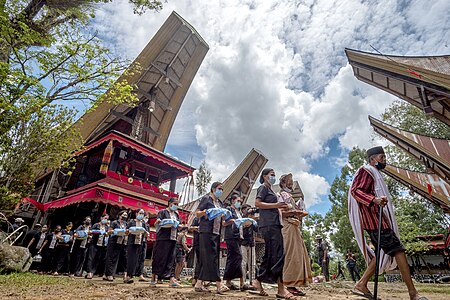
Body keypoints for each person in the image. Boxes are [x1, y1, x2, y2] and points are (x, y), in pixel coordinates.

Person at [349, 146, 428, 300]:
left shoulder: (376, 173)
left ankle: (361, 284)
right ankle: (413, 293)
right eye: (381, 157)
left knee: (379, 255)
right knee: (398, 250)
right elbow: (356, 190)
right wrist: (374, 200)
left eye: (384, 157)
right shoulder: (366, 170)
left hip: (379, 220)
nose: (384, 160)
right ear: (372, 160)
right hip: (376, 221)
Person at [252, 168, 295, 299]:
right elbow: (257, 203)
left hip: (275, 223)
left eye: (274, 175)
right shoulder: (263, 188)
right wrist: (276, 205)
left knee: (270, 254)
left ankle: (258, 280)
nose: (273, 177)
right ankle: (281, 288)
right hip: (268, 224)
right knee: (278, 253)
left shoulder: (271, 190)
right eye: (272, 175)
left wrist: (281, 207)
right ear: (265, 176)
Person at [278, 173, 311, 296]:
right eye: (289, 181)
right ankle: (289, 284)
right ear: (283, 183)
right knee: (290, 254)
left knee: (297, 253)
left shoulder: (290, 196)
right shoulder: (281, 195)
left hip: (294, 225)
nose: (291, 183)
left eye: (291, 181)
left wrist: (297, 212)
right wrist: (295, 212)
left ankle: (293, 283)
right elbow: (280, 212)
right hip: (287, 226)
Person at [194, 182, 228, 294]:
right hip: (206, 231)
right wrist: (206, 212)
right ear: (213, 189)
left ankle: (199, 283)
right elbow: (197, 213)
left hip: (216, 232)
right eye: (219, 188)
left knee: (209, 257)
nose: (221, 191)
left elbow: (222, 218)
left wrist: (224, 216)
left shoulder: (220, 202)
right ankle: (219, 284)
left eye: (222, 189)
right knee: (211, 257)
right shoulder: (206, 199)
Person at [151, 198, 180, 287]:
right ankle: (153, 278)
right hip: (163, 238)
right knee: (159, 258)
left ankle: (171, 279)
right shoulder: (163, 212)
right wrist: (158, 222)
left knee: (171, 259)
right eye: (175, 203)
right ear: (170, 203)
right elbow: (157, 222)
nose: (176, 205)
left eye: (177, 204)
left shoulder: (176, 214)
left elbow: (178, 224)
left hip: (173, 238)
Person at [223, 194, 244, 291]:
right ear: (232, 201)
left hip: (238, 237)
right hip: (230, 236)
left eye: (240, 201)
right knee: (236, 256)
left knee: (235, 257)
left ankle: (230, 280)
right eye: (238, 201)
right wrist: (231, 221)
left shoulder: (238, 212)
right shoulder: (229, 210)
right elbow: (223, 223)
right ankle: (227, 279)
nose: (239, 203)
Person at [124, 209, 149, 283]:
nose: (141, 215)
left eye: (143, 214)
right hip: (131, 243)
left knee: (136, 260)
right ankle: (128, 276)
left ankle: (133, 275)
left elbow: (146, 233)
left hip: (139, 243)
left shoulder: (143, 223)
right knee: (130, 259)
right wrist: (128, 231)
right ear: (136, 213)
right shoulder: (131, 222)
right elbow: (126, 231)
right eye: (140, 213)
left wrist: (146, 233)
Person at [104, 210, 128, 281]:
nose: (125, 216)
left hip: (120, 242)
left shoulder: (125, 224)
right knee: (110, 258)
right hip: (113, 241)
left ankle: (109, 273)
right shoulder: (114, 222)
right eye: (124, 215)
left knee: (116, 258)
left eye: (126, 215)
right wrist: (114, 231)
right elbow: (110, 231)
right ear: (120, 215)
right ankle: (109, 274)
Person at [86, 215, 109, 279]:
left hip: (101, 244)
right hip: (94, 243)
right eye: (105, 218)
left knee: (97, 258)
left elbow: (107, 234)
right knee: (91, 258)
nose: (106, 220)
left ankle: (93, 271)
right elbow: (91, 232)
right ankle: (89, 272)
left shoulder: (106, 227)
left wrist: (107, 234)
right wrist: (98, 232)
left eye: (107, 219)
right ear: (101, 218)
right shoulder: (96, 225)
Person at [240, 204, 257, 290]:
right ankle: (243, 282)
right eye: (247, 209)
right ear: (243, 210)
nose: (249, 211)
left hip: (251, 243)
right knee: (243, 263)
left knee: (252, 263)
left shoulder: (252, 219)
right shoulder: (241, 218)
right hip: (243, 242)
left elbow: (256, 229)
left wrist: (252, 219)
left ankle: (252, 281)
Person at [189, 216, 201, 287]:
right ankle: (196, 278)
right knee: (199, 260)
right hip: (197, 242)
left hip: (205, 242)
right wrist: (197, 228)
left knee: (202, 261)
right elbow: (190, 228)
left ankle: (198, 279)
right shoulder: (197, 218)